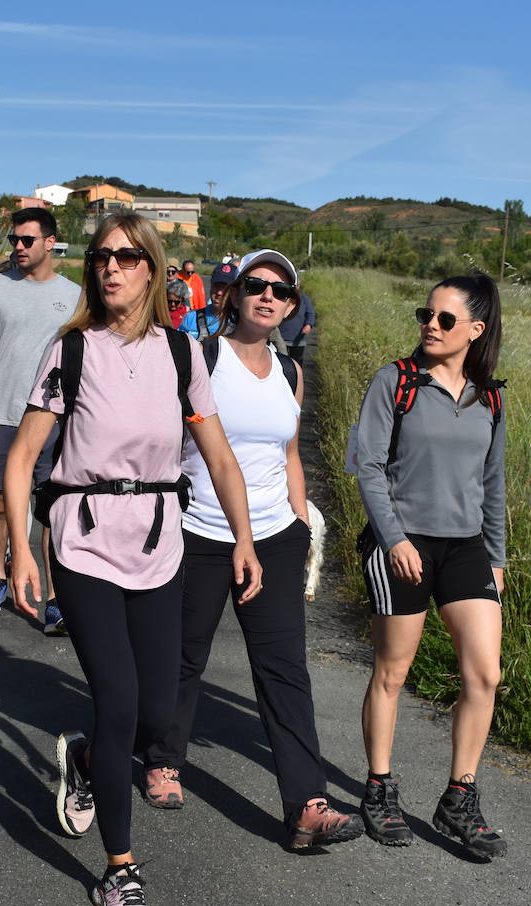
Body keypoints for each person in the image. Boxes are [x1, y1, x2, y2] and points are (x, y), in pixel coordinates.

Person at [5, 212, 262, 906]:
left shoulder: (182, 355)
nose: (111, 267)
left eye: (125, 256)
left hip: (158, 544)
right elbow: (25, 455)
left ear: (151, 267)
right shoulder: (71, 352)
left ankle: (88, 762)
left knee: (153, 713)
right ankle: (119, 869)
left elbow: (217, 455)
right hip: (84, 540)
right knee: (116, 700)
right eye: (100, 257)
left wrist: (243, 538)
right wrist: (21, 550)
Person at [141, 249, 364, 851]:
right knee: (184, 657)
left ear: (292, 308)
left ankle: (307, 804)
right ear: (234, 296)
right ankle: (163, 760)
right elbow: (168, 438)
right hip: (200, 531)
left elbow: (288, 453)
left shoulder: (291, 372)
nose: (268, 296)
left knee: (285, 668)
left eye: (281, 291)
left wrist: (301, 523)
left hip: (274, 536)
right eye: (256, 286)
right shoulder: (201, 357)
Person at [353, 272, 507, 860]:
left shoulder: (489, 396)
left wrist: (496, 559)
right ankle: (379, 788)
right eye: (427, 314)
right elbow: (367, 466)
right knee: (393, 671)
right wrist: (394, 540)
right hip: (403, 542)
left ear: (476, 329)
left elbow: (493, 485)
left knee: (485, 673)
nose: (431, 326)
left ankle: (459, 797)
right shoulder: (397, 382)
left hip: (466, 546)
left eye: (445, 319)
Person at [0, 207, 79, 630]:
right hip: (0, 412)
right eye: (14, 240)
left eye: (27, 240)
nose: (19, 247)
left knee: (48, 507)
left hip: (54, 415)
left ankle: (52, 593)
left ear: (50, 243)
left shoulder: (75, 294)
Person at [178, 261, 234, 341]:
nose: (219, 292)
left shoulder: (242, 323)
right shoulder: (190, 318)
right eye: (216, 286)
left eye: (225, 288)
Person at [278, 282, 316, 367]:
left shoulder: (304, 298)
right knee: (281, 364)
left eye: (296, 285)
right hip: (281, 338)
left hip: (298, 339)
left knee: (297, 364)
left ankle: (296, 379)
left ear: (299, 286)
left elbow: (310, 313)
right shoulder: (281, 296)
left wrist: (309, 325)